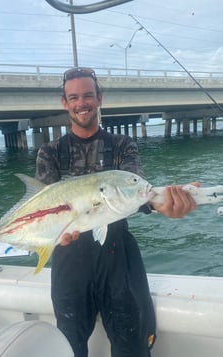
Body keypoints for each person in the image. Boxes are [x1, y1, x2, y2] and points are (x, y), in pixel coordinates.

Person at [35, 67, 197, 357]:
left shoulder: (122, 145)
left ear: (99, 98)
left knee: (131, 345)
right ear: (64, 102)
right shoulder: (49, 152)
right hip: (69, 258)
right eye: (73, 97)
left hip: (118, 257)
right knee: (69, 345)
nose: (81, 103)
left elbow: (139, 193)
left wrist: (164, 203)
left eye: (87, 95)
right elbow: (45, 211)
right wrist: (51, 236)